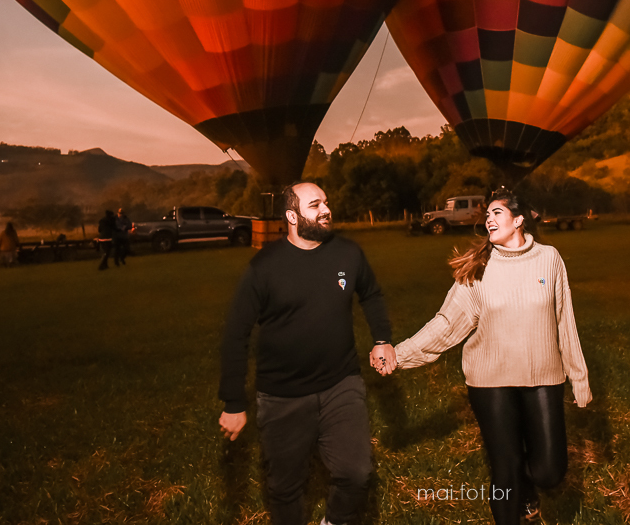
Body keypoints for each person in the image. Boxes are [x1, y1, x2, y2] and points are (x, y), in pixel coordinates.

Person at [391, 190, 590, 525]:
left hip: (543, 376)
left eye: (497, 213)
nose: (489, 219)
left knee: (550, 471)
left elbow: (564, 319)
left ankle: (526, 483)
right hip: (491, 382)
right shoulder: (480, 268)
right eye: (487, 215)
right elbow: (447, 323)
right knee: (505, 468)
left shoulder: (549, 258)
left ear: (519, 219)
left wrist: (578, 376)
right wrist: (399, 355)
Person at [219, 182, 396, 525]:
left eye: (326, 202)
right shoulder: (264, 266)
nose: (326, 209)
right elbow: (235, 334)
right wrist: (234, 402)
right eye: (315, 205)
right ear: (292, 216)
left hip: (341, 384)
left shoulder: (348, 253)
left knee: (356, 473)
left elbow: (371, 294)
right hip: (282, 395)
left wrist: (381, 339)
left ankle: (335, 520)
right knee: (285, 487)